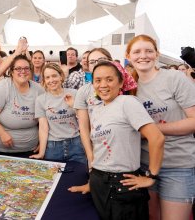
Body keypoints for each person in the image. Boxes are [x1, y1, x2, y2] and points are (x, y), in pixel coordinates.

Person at [69, 61, 164, 220]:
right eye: (98, 80)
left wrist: (151, 177)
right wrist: (93, 182)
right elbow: (101, 149)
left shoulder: (128, 103)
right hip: (99, 181)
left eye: (109, 79)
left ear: (121, 82)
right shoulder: (98, 109)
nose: (103, 85)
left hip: (122, 185)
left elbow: (157, 138)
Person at [125, 35, 195, 220]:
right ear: (128, 56)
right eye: (137, 51)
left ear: (157, 54)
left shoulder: (175, 78)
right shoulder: (128, 86)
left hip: (177, 165)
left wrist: (152, 129)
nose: (143, 56)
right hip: (143, 165)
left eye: (149, 51)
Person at [0, 55, 45, 155]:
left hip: (31, 150)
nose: (23, 71)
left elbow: (44, 119)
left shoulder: (38, 90)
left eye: (26, 68)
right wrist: (2, 134)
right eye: (18, 68)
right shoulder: (2, 87)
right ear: (11, 72)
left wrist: (43, 142)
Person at [30, 63, 86, 164]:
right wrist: (41, 153)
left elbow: (84, 120)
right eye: (47, 77)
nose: (51, 80)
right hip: (53, 148)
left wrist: (74, 106)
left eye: (54, 76)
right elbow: (43, 128)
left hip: (76, 144)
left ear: (61, 76)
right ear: (44, 80)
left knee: (79, 178)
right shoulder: (40, 100)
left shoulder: (74, 93)